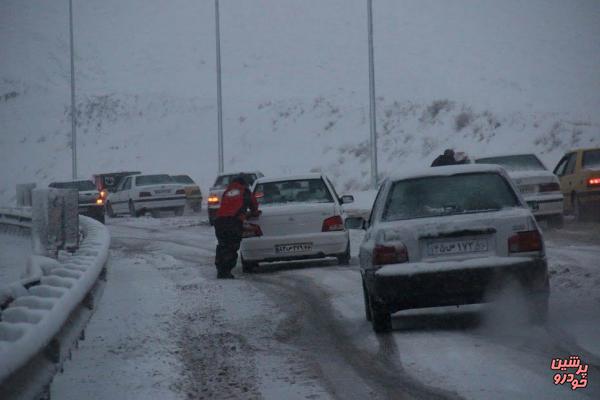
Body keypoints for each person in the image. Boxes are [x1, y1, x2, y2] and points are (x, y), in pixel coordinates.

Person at [213, 174, 260, 279]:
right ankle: (226, 272)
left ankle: (220, 269)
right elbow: (253, 205)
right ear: (244, 183)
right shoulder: (245, 191)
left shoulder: (227, 192)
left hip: (219, 221)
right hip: (233, 222)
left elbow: (228, 206)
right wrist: (254, 213)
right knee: (232, 246)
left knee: (222, 245)